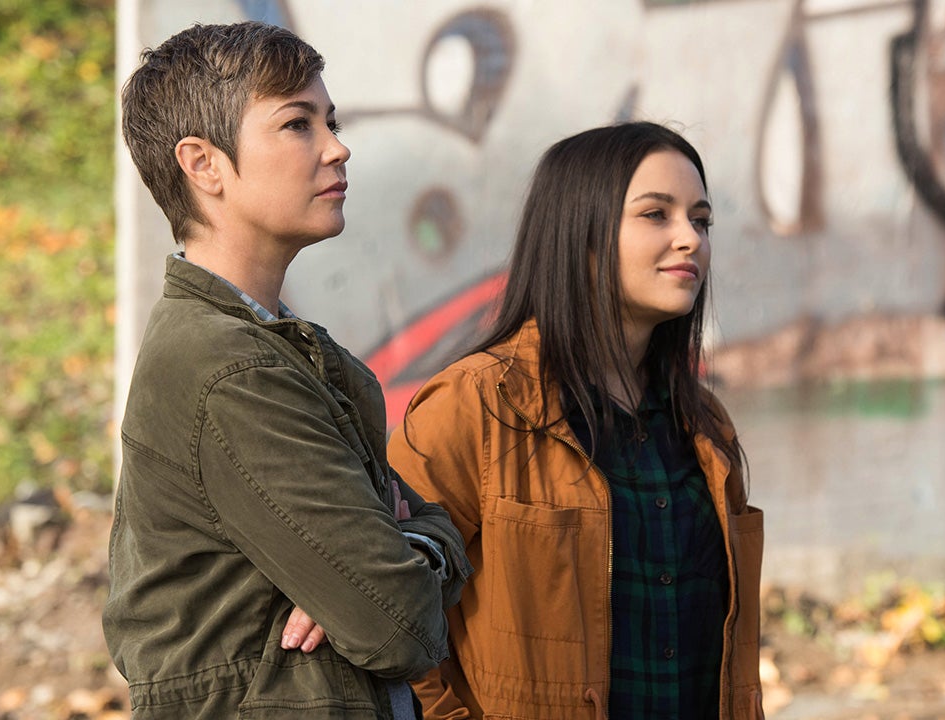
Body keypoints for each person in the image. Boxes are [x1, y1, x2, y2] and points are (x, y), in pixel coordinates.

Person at [103, 21, 470, 720]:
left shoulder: (276, 349)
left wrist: (408, 545)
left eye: (331, 122)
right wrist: (402, 562)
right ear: (203, 164)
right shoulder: (229, 368)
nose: (337, 147)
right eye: (298, 124)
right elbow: (398, 624)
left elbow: (407, 554)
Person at [387, 122, 765, 719]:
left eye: (701, 220)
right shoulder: (474, 406)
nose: (690, 239)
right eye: (656, 214)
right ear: (580, 233)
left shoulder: (704, 425)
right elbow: (387, 607)